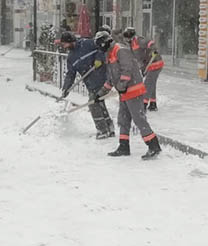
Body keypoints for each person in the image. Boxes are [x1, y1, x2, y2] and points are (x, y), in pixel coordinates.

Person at [94, 30, 161, 160]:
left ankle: (153, 145)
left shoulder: (120, 50)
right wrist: (101, 93)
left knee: (139, 119)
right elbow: (111, 78)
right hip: (124, 93)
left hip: (133, 91)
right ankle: (123, 146)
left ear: (104, 43)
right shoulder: (110, 54)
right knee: (123, 120)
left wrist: (122, 85)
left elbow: (127, 69)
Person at [59, 31, 115, 139]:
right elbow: (70, 74)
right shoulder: (71, 57)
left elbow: (102, 47)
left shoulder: (87, 43)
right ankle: (109, 128)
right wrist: (66, 88)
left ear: (71, 41)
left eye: (65, 43)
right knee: (99, 103)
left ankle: (102, 131)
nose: (64, 46)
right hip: (90, 82)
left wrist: (99, 58)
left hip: (101, 76)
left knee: (93, 103)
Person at [122, 27, 163, 111]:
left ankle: (143, 104)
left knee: (147, 84)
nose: (126, 39)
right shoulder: (130, 44)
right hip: (147, 65)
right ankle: (153, 103)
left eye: (128, 37)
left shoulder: (139, 40)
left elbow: (150, 43)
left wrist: (153, 50)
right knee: (151, 83)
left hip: (155, 62)